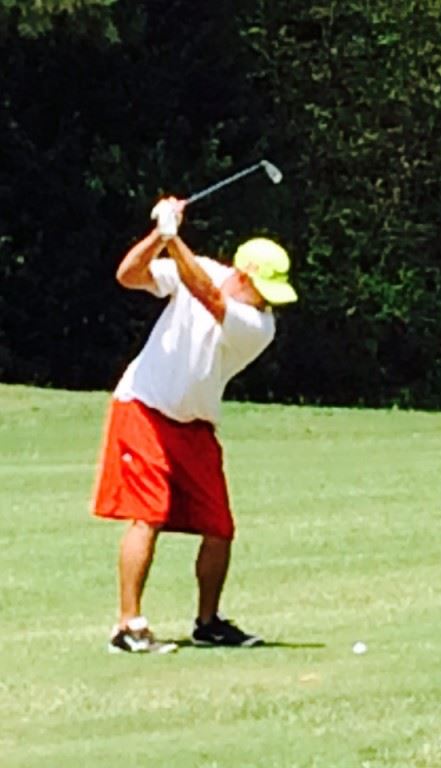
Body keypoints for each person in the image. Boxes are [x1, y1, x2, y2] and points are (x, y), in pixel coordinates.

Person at [92, 197, 297, 653]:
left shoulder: (257, 325)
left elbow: (206, 294)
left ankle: (208, 623)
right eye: (263, 289)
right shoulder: (202, 269)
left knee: (219, 525)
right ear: (242, 276)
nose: (268, 301)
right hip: (143, 405)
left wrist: (173, 236)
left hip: (194, 424)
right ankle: (127, 626)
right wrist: (157, 238)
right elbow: (129, 275)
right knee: (148, 514)